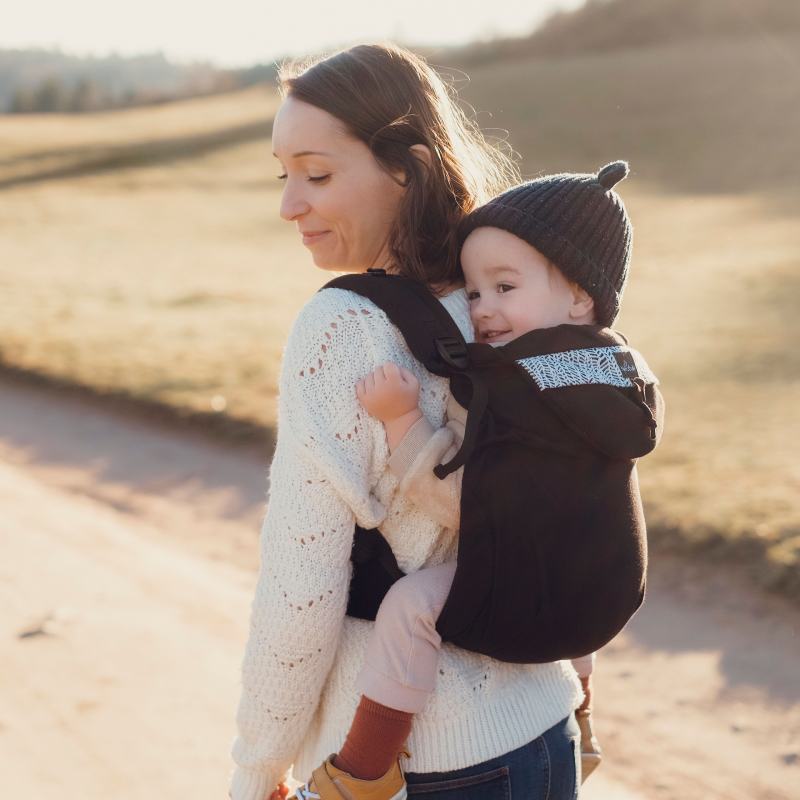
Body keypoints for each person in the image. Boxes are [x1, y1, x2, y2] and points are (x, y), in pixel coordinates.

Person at [229, 43, 586, 800]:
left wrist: (258, 768)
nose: (291, 204)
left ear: (407, 168)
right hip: (543, 732)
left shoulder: (340, 330)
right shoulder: (514, 298)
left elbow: (302, 587)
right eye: (282, 174)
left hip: (419, 769)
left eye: (317, 174)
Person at [347, 162, 654, 798]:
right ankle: (582, 715)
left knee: (409, 609)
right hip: (603, 588)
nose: (482, 310)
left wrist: (404, 423)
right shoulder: (612, 367)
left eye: (504, 286)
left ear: (579, 295)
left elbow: (473, 503)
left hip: (530, 588)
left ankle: (364, 767)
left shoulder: (516, 389)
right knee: (574, 563)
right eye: (475, 290)